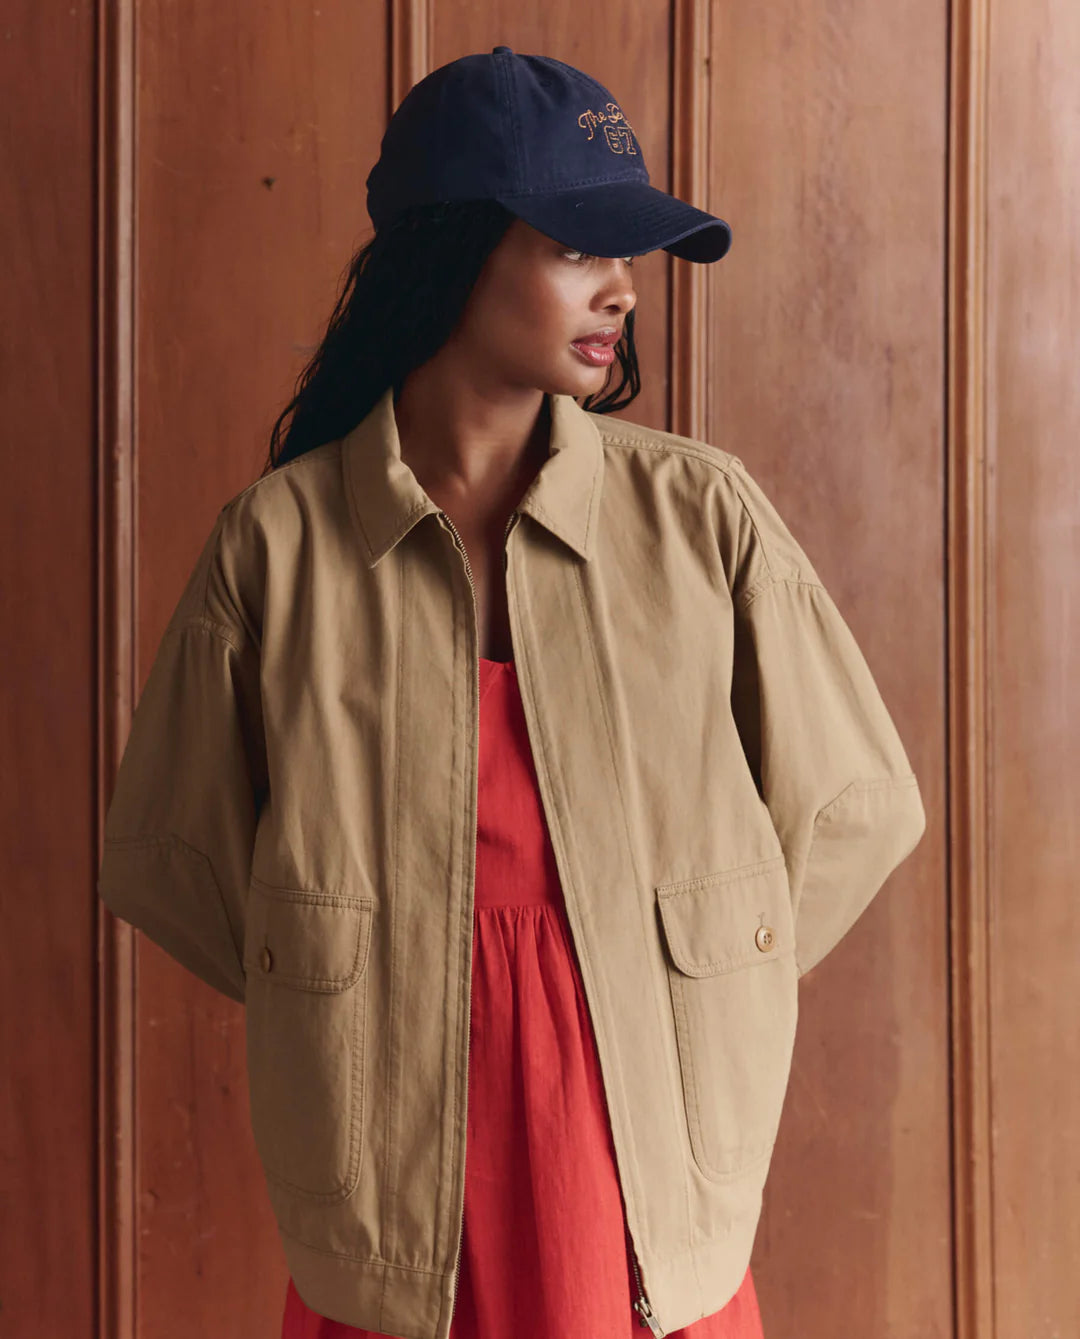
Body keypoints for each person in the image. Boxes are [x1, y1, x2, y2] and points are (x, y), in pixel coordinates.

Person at [98, 46, 926, 1339]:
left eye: (628, 256)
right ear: (454, 251)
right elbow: (174, 861)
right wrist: (352, 983)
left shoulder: (700, 519)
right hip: (394, 1168)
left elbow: (857, 806)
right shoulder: (277, 546)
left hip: (635, 1154)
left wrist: (690, 970)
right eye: (577, 247)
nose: (621, 290)